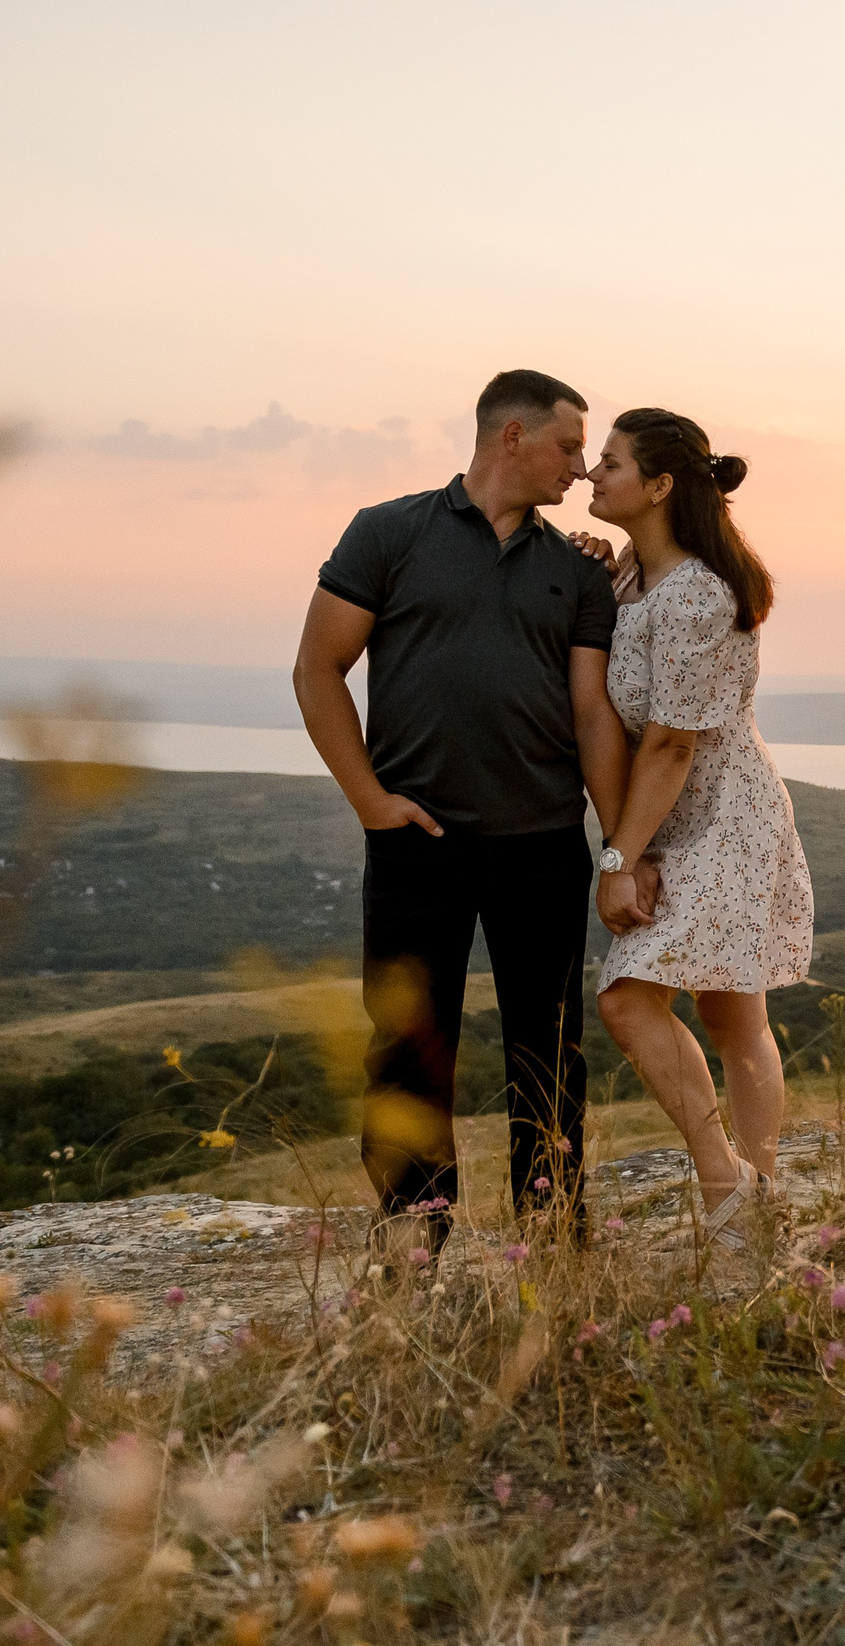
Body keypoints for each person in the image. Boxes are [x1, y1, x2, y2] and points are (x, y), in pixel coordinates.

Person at [292, 369, 626, 1252]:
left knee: (549, 1052)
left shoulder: (577, 568)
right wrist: (370, 803)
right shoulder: (387, 532)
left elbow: (592, 713)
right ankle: (415, 1237)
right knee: (406, 1047)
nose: (581, 469)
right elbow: (317, 668)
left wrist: (623, 843)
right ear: (510, 435)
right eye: (568, 446)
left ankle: (554, 1238)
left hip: (544, 847)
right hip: (418, 845)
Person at [582, 408, 813, 1253]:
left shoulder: (696, 595)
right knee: (729, 1010)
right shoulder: (638, 582)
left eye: (608, 464)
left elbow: (674, 743)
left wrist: (619, 858)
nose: (590, 476)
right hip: (675, 815)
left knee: (631, 1000)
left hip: (722, 818)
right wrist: (597, 571)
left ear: (660, 485)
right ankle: (756, 1205)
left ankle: (733, 1182)